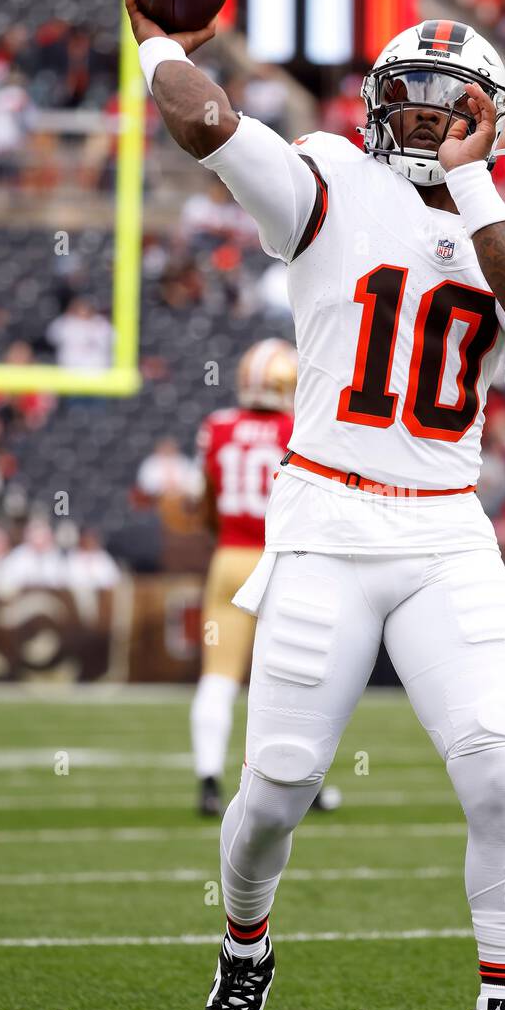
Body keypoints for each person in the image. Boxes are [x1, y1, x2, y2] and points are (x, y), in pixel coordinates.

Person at [127, 0, 505, 1010]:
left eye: (449, 103)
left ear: (492, 115)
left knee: (497, 781)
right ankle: (244, 953)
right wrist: (153, 46)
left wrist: (471, 185)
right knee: (275, 785)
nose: (425, 118)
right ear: (379, 104)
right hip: (326, 519)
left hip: (442, 533)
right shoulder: (329, 175)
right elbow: (204, 123)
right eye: (409, 99)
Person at [192, 338, 342, 819]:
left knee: (218, 677)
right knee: (296, 680)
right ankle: (303, 784)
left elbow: (208, 503)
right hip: (281, 559)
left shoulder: (216, 427)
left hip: (229, 558)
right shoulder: (300, 427)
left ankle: (209, 784)